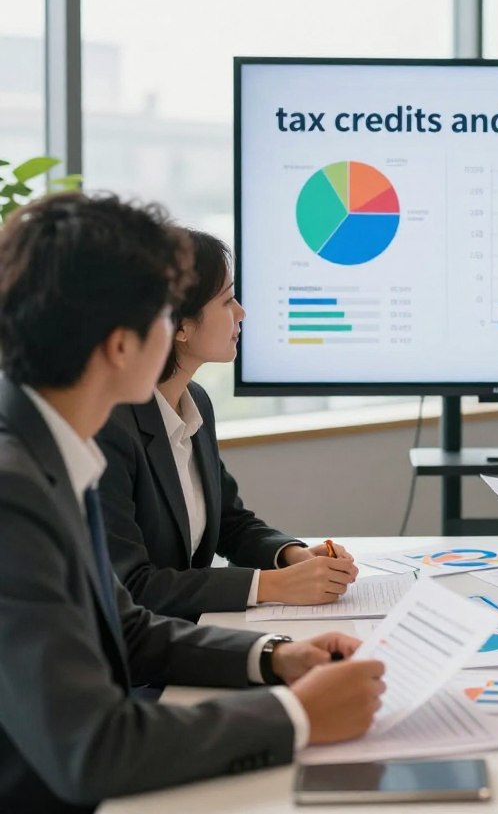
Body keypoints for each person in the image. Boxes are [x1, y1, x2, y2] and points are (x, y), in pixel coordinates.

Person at [0, 193, 385, 813]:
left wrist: (276, 659)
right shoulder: (14, 493)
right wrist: (296, 716)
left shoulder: (50, 450)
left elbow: (123, 627)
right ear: (123, 345)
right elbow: (93, 750)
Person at [97, 229, 356, 621]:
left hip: (186, 636)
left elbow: (230, 524)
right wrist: (272, 586)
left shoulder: (194, 400)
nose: (241, 312)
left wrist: (291, 556)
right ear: (179, 326)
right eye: (227, 300)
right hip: (136, 664)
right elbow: (132, 586)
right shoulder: (110, 427)